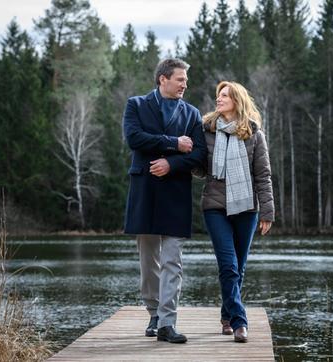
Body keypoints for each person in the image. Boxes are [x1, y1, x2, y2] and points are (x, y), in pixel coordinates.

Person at [123, 58, 206, 344]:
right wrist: (173, 144)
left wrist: (171, 165)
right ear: (163, 79)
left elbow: (198, 156)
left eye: (185, 80)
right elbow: (134, 138)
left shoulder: (193, 113)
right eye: (180, 79)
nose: (185, 84)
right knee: (149, 260)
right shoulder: (136, 105)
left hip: (176, 193)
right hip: (145, 191)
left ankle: (167, 323)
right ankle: (154, 313)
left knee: (173, 261)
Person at [199, 81, 274, 343]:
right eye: (218, 95)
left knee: (238, 268)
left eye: (224, 96)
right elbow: (198, 166)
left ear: (237, 101)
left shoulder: (254, 134)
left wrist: (267, 212)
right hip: (215, 207)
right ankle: (240, 321)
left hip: (246, 208)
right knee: (229, 266)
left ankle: (226, 315)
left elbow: (263, 176)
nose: (218, 99)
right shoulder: (206, 130)